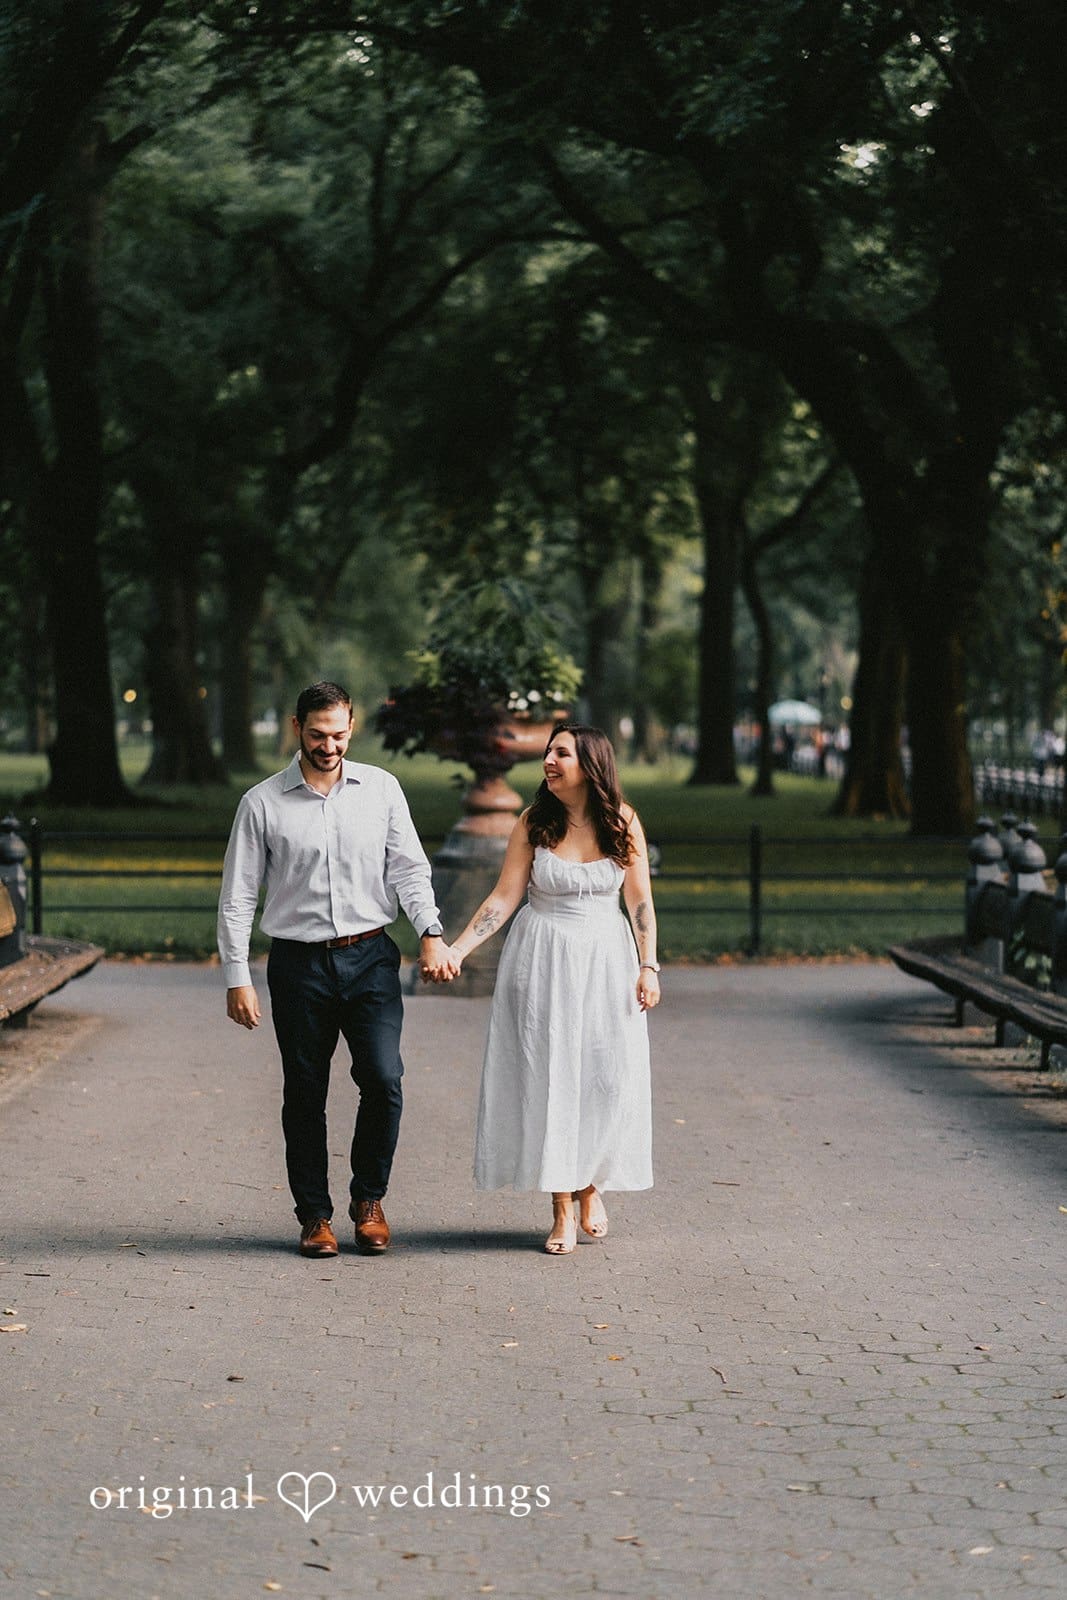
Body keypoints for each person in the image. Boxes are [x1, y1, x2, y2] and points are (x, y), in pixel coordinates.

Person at [218, 681, 457, 1258]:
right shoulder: (262, 803)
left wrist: (430, 933)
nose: (330, 746)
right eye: (319, 734)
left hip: (371, 955)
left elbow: (409, 869)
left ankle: (368, 1198)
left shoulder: (381, 789)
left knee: (383, 1077)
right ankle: (315, 1217)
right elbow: (238, 895)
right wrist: (236, 975)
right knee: (305, 1091)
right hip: (298, 963)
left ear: (353, 727)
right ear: (297, 727)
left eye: (340, 734)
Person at [426, 723, 659, 1255]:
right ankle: (559, 1208)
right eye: (548, 752)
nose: (549, 761)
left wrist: (649, 967)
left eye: (561, 753)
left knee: (604, 1076)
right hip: (543, 959)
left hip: (606, 959)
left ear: (590, 764)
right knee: (551, 1076)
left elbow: (640, 902)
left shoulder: (622, 821)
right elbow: (504, 897)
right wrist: (458, 950)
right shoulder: (534, 822)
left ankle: (591, 1187)